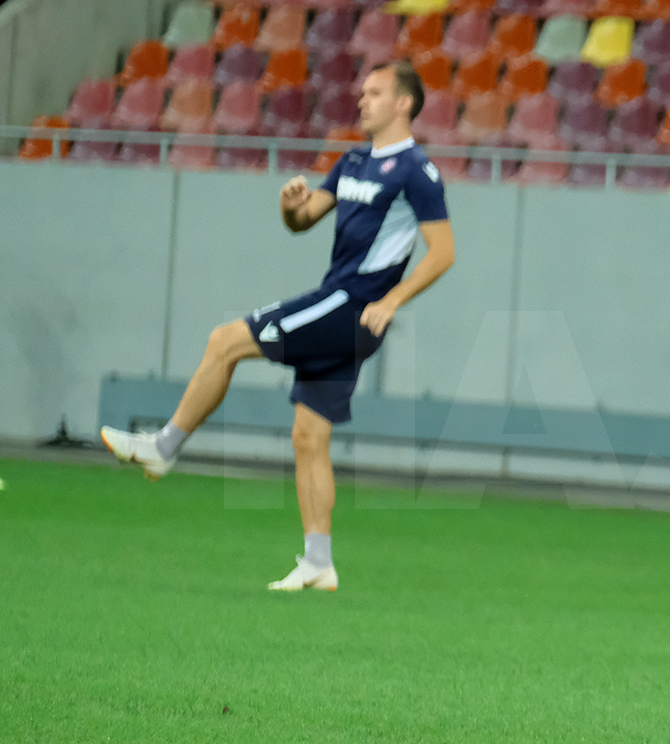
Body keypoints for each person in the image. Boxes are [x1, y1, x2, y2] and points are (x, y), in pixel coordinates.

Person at [101, 62, 455, 592]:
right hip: (340, 306)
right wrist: (291, 206)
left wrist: (394, 300)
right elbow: (305, 219)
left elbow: (443, 252)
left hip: (349, 305)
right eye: (363, 92)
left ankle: (165, 446)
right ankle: (318, 562)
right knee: (309, 435)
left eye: (376, 93)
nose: (362, 100)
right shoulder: (354, 160)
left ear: (404, 103)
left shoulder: (416, 171)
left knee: (225, 341)